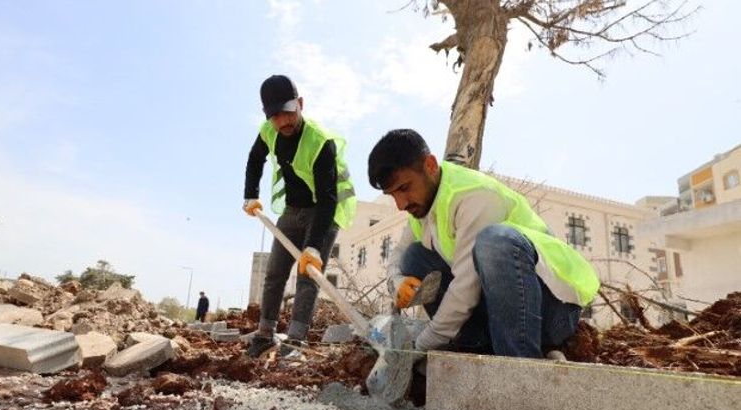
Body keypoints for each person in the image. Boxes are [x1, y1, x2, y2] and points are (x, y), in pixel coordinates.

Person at [367, 129, 599, 358]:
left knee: (493, 242)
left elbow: (465, 287)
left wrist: (420, 346)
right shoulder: (423, 208)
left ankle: (521, 363)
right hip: (498, 317)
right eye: (392, 195)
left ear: (429, 165)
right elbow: (397, 256)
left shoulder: (475, 195)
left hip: (551, 312)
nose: (400, 204)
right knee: (413, 257)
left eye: (404, 188)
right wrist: (398, 283)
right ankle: (474, 345)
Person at [243, 75, 357, 358]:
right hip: (293, 210)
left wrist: (313, 246)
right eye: (275, 116)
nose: (283, 121)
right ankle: (265, 334)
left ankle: (295, 341)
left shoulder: (320, 142)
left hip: (324, 211)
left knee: (308, 274)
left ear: (301, 104)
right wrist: (250, 194)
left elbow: (329, 197)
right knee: (274, 274)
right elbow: (255, 159)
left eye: (288, 112)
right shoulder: (268, 131)